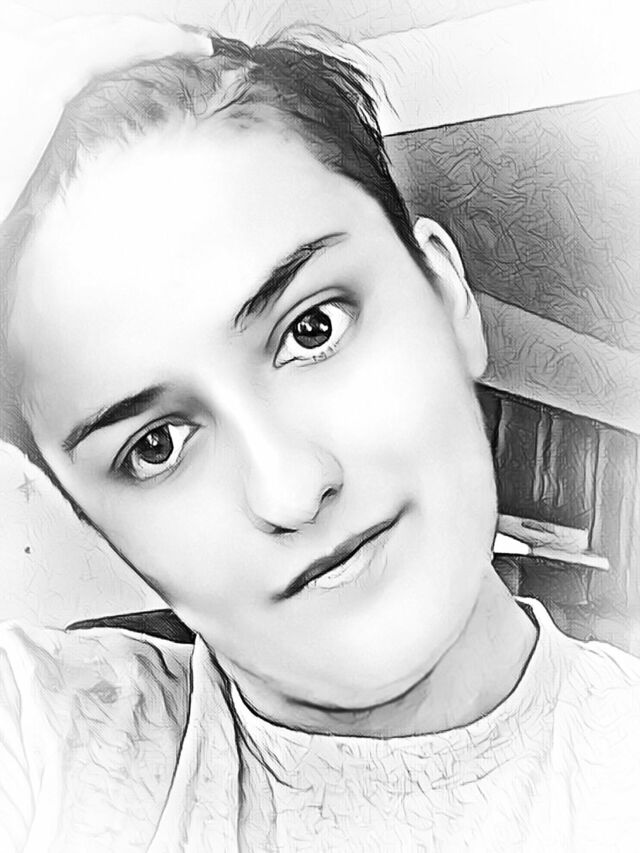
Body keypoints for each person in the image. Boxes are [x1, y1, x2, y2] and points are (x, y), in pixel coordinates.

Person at [0, 23, 638, 853]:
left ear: (447, 297)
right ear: (93, 521)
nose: (291, 488)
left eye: (313, 328)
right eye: (156, 445)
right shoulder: (52, 746)